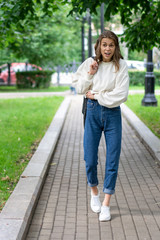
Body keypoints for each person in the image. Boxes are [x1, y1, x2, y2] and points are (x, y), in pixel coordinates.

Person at [72, 30, 129, 221]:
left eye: (111, 45)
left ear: (115, 47)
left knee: (112, 160)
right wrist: (90, 74)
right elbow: (79, 89)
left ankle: (106, 204)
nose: (107, 48)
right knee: (90, 158)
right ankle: (94, 193)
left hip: (112, 114)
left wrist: (96, 94)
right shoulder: (90, 63)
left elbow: (121, 95)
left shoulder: (120, 66)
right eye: (104, 44)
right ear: (99, 45)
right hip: (92, 112)